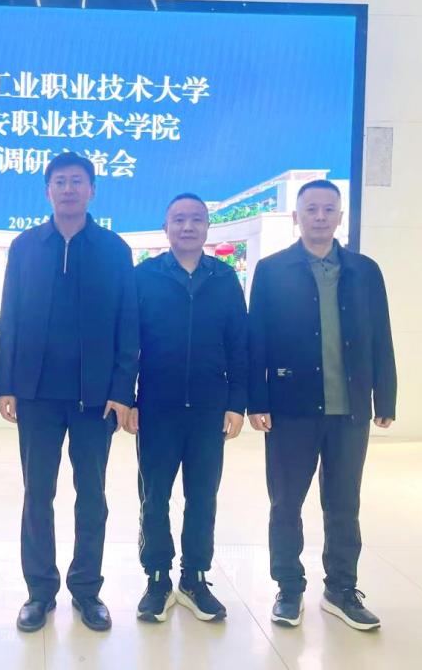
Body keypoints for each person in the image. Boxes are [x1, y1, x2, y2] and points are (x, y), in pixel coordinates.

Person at [0, 151, 139, 633]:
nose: (69, 189)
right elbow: (11, 315)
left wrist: (122, 389)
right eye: (60, 181)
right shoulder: (25, 246)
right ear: (48, 191)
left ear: (92, 190)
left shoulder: (114, 250)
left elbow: (128, 324)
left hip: (95, 398)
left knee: (91, 494)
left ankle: (87, 589)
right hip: (36, 393)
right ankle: (39, 591)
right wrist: (5, 383)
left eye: (78, 181)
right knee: (37, 492)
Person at [247, 179, 397, 631]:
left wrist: (385, 395)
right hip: (291, 409)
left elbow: (381, 334)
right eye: (310, 209)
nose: (319, 216)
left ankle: (341, 589)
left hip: (350, 409)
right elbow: (258, 340)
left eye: (328, 209)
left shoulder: (365, 271)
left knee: (344, 504)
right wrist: (257, 400)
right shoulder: (272, 270)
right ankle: (289, 588)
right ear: (296, 217)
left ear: (339, 217)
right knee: (285, 503)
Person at [133, 193, 248, 624]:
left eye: (196, 219)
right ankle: (157, 578)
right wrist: (127, 398)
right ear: (165, 227)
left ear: (206, 227)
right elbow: (128, 342)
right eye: (178, 219)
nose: (187, 227)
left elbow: (239, 344)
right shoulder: (144, 276)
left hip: (208, 409)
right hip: (156, 407)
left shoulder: (224, 278)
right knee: (154, 496)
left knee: (202, 496)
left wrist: (237, 403)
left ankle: (195, 578)